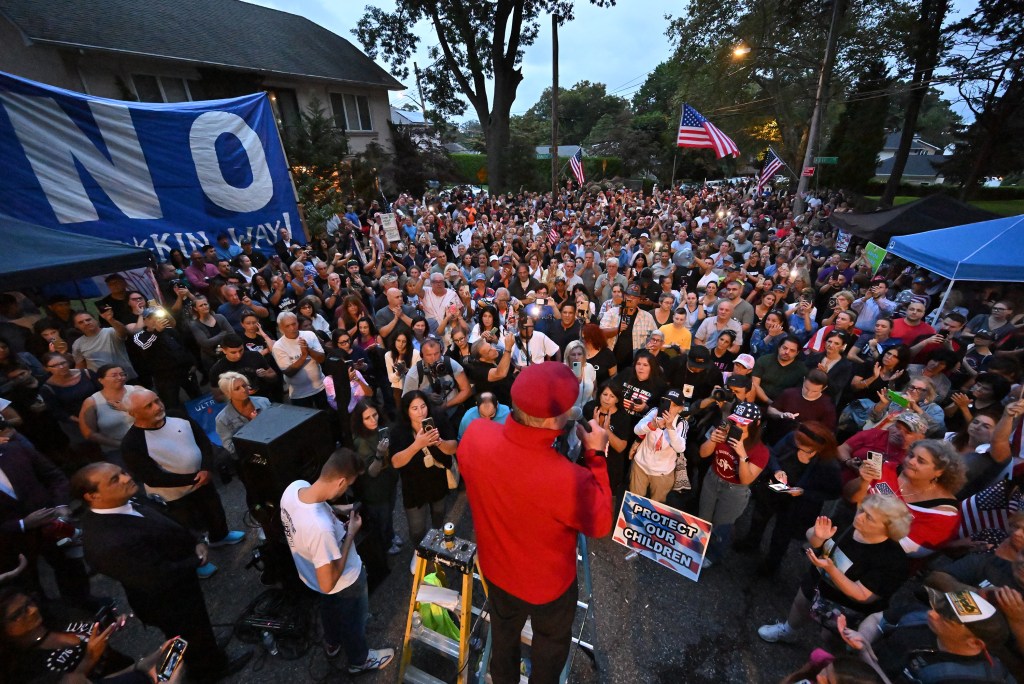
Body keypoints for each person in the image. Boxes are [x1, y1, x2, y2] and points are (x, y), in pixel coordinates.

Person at [458, 362, 612, 684]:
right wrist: (596, 455)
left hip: (497, 570)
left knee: (503, 639)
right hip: (549, 588)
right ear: (553, 420)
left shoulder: (475, 435)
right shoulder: (569, 479)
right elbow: (599, 524)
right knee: (549, 650)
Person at [73, 462, 251, 682]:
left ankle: (209, 651)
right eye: (114, 480)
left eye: (122, 472)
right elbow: (154, 577)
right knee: (188, 635)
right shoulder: (106, 542)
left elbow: (165, 517)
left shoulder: (125, 499)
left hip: (181, 583)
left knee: (199, 629)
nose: (127, 478)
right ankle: (209, 670)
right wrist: (193, 561)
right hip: (167, 601)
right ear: (92, 496)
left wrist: (194, 539)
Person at [279, 448, 395, 674]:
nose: (348, 488)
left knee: (329, 608)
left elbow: (316, 507)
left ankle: (332, 642)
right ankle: (359, 660)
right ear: (341, 482)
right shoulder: (320, 529)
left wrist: (339, 509)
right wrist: (350, 533)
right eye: (349, 484)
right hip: (346, 582)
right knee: (354, 621)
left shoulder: (295, 488)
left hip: (310, 576)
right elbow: (328, 583)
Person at [757, 493, 911, 643]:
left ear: (889, 529)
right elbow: (814, 538)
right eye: (862, 509)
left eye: (869, 517)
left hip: (846, 604)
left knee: (829, 637)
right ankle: (787, 630)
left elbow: (863, 595)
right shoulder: (846, 519)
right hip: (818, 581)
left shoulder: (893, 561)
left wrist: (832, 570)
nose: (859, 517)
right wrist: (818, 536)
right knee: (801, 603)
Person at [121, 390, 244, 567]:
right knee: (185, 530)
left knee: (215, 513)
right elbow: (152, 477)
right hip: (174, 496)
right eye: (149, 406)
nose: (157, 407)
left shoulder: (176, 415)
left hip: (204, 481)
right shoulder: (132, 443)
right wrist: (194, 478)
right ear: (133, 414)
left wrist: (206, 469)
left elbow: (202, 440)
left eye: (157, 400)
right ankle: (197, 562)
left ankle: (220, 536)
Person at [0, 587, 178, 683]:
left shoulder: (57, 617)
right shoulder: (25, 667)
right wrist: (89, 658)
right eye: (18, 614)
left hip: (132, 667)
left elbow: (92, 621)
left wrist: (109, 622)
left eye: (29, 603)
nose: (31, 611)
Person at [736, 422, 842, 575]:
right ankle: (751, 542)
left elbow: (833, 492)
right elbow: (771, 453)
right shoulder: (794, 438)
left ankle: (771, 564)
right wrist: (777, 469)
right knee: (759, 517)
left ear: (814, 448)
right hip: (773, 492)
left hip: (796, 504)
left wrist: (804, 492)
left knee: (782, 534)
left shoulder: (829, 464)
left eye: (801, 443)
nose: (795, 442)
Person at [843, 438, 965, 558]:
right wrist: (863, 481)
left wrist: (869, 518)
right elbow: (849, 497)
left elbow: (911, 551)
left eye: (921, 461)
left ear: (939, 471)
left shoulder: (944, 513)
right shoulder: (887, 469)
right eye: (911, 455)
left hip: (876, 559)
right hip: (843, 530)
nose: (911, 461)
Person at [698, 402, 769, 567]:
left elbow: (746, 480)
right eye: (735, 421)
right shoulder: (722, 431)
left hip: (734, 491)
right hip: (712, 479)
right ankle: (697, 548)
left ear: (755, 424)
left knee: (722, 526)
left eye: (743, 424)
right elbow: (703, 453)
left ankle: (713, 555)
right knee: (703, 518)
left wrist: (743, 457)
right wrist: (712, 440)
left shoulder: (761, 451)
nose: (737, 426)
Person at [388, 390, 458, 544]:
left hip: (437, 480)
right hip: (413, 486)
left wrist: (439, 442)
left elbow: (453, 447)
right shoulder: (399, 431)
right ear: (406, 411)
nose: (420, 412)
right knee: (417, 529)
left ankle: (437, 545)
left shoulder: (438, 420)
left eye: (423, 406)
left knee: (438, 517)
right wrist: (417, 445)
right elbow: (395, 461)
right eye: (414, 408)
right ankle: (420, 554)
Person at [350, 400, 402, 555]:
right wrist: (379, 455)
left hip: (389, 484)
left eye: (375, 415)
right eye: (367, 418)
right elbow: (372, 472)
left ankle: (390, 535)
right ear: (360, 421)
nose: (373, 420)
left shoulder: (380, 430)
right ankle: (385, 545)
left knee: (388, 514)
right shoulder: (361, 442)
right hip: (375, 491)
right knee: (381, 520)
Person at [629, 389, 689, 502]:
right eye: (668, 403)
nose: (670, 408)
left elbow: (680, 448)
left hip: (663, 473)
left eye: (675, 405)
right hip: (641, 465)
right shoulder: (654, 412)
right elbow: (637, 430)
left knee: (656, 508)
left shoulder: (682, 423)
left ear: (680, 408)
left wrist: (670, 428)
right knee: (634, 502)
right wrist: (652, 424)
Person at [77, 365, 145, 460]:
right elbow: (89, 433)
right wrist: (121, 444)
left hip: (149, 440)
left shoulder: (137, 390)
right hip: (117, 449)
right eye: (114, 375)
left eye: (122, 374)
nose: (120, 378)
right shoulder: (92, 402)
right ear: (101, 380)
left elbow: (157, 410)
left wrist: (128, 408)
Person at [272, 311, 328, 410]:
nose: (292, 328)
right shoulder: (278, 346)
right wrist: (303, 356)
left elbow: (322, 359)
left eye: (294, 324)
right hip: (299, 394)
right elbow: (288, 372)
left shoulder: (309, 335)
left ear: (298, 323)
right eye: (287, 326)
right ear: (281, 328)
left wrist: (309, 350)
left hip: (321, 387)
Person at [214, 372, 271, 456]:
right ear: (228, 394)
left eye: (244, 385)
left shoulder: (264, 402)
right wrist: (252, 427)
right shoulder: (222, 419)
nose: (243, 390)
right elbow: (230, 449)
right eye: (237, 389)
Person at [70, 312, 135, 381]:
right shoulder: (77, 343)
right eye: (81, 322)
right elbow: (80, 366)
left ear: (95, 320)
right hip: (102, 382)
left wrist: (111, 319)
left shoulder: (111, 331)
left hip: (125, 377)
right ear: (76, 326)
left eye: (88, 320)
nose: (86, 323)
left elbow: (123, 333)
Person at [752, 336, 808, 404]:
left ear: (797, 353)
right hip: (756, 401)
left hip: (783, 406)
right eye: (785, 348)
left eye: (792, 350)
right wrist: (770, 402)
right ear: (779, 347)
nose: (787, 352)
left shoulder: (802, 369)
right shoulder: (764, 360)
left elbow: (797, 393)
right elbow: (755, 384)